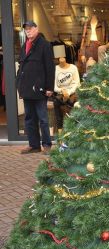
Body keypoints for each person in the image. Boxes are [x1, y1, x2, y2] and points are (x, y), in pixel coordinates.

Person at [16, 21, 55, 154]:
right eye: (26, 29)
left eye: (30, 28)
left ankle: (47, 145)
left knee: (43, 119)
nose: (28, 31)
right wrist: (18, 84)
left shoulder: (45, 45)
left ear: (36, 29)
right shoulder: (25, 45)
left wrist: (49, 87)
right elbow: (21, 66)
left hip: (39, 89)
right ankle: (34, 145)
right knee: (29, 118)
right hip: (26, 89)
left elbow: (50, 68)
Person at [53, 56, 80, 133]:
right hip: (61, 94)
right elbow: (54, 86)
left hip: (72, 93)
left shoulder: (73, 67)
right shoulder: (55, 69)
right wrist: (62, 90)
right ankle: (60, 130)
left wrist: (68, 92)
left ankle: (76, 130)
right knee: (56, 103)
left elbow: (77, 83)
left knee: (75, 102)